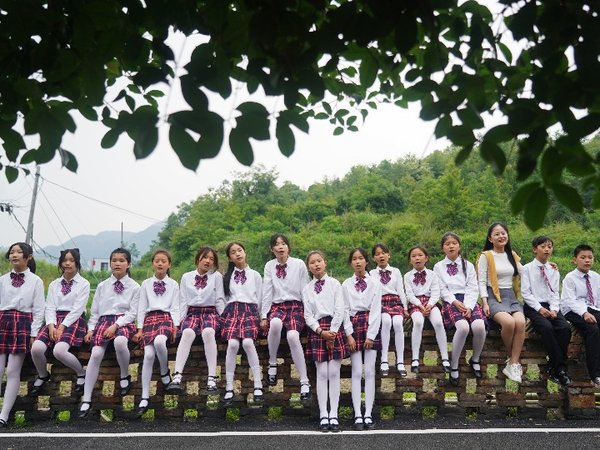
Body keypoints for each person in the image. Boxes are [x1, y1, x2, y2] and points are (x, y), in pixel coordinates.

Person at [78, 248, 139, 418]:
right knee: (96, 353)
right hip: (103, 322)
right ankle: (87, 399)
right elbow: (95, 311)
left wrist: (116, 325)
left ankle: (124, 375)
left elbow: (133, 313)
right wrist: (90, 329)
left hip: (123, 321)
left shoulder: (135, 287)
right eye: (114, 260)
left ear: (129, 264)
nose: (117, 263)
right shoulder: (102, 285)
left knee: (120, 342)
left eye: (121, 260)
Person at [30, 248, 89, 397]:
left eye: (71, 260)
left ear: (77, 263)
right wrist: (51, 325)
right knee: (36, 348)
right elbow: (49, 306)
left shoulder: (84, 283)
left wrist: (62, 327)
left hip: (74, 319)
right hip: (54, 319)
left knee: (59, 351)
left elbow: (78, 309)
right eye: (64, 260)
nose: (67, 263)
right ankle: (43, 375)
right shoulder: (54, 284)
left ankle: (81, 373)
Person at [167, 247, 224, 394]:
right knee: (187, 333)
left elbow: (219, 300)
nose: (208, 261)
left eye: (211, 259)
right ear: (198, 258)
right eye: (205, 257)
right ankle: (177, 376)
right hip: (192, 313)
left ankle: (212, 377)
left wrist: (224, 319)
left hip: (210, 312)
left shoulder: (216, 276)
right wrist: (177, 324)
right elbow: (183, 302)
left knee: (208, 332)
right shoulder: (187, 277)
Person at [303, 250, 349, 433]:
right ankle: (324, 414)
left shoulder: (335, 284)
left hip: (335, 326)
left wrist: (333, 332)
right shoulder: (307, 289)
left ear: (325, 263)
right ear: (309, 267)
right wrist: (321, 332)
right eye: (312, 262)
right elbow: (307, 315)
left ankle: (334, 414)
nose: (316, 264)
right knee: (322, 372)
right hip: (318, 330)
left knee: (334, 372)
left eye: (319, 261)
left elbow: (340, 309)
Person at [261, 234, 310, 400]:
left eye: (283, 244)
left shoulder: (299, 264)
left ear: (288, 247)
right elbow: (267, 291)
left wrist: (309, 313)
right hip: (278, 306)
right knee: (274, 323)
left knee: (293, 336)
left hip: (296, 306)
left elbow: (305, 290)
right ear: (272, 249)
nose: (280, 247)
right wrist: (263, 315)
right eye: (277, 244)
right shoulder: (269, 266)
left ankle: (304, 382)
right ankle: (272, 363)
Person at [0, 243, 44, 427]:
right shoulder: (2, 279)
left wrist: (34, 333)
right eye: (12, 252)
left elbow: (39, 309)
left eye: (19, 252)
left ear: (29, 257)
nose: (15, 255)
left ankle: (4, 415)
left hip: (23, 323)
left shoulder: (36, 281)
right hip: (2, 321)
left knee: (12, 371)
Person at [433, 233, 487, 386]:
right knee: (463, 328)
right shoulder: (438, 267)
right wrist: (454, 302)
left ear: (459, 246)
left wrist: (469, 306)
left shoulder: (467, 265)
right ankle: (454, 364)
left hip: (468, 299)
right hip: (451, 301)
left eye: (454, 243)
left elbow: (472, 286)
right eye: (447, 243)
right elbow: (441, 288)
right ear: (443, 248)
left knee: (479, 326)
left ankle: (475, 358)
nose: (451, 246)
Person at [477, 222, 525, 383]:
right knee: (509, 323)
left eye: (503, 233)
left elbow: (525, 272)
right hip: (493, 295)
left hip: (511, 296)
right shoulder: (486, 256)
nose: (501, 236)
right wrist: (484, 302)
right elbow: (481, 281)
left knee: (521, 322)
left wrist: (547, 266)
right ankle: (512, 359)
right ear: (490, 238)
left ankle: (513, 363)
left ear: (507, 235)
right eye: (496, 234)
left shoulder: (512, 255)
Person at [133, 249, 179, 416]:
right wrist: (139, 328)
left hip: (166, 318)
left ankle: (165, 371)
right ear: (153, 263)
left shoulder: (173, 284)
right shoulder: (145, 284)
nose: (160, 263)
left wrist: (175, 325)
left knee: (160, 342)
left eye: (164, 261)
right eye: (157, 260)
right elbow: (141, 308)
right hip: (149, 319)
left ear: (169, 264)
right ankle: (144, 396)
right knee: (148, 355)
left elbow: (175, 307)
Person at [522, 236, 571, 387]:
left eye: (549, 246)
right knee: (546, 328)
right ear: (535, 249)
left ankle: (553, 366)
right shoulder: (527, 269)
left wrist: (555, 309)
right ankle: (560, 368)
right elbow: (525, 293)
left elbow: (555, 292)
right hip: (533, 306)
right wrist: (540, 309)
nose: (547, 249)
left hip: (551, 306)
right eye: (543, 246)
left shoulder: (553, 269)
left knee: (564, 328)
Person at [342, 247, 382, 431]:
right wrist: (348, 334)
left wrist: (371, 335)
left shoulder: (375, 283)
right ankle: (357, 414)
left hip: (370, 324)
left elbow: (376, 310)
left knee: (370, 371)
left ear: (367, 261)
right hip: (353, 324)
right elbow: (343, 310)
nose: (358, 262)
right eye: (354, 259)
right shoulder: (346, 285)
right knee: (356, 371)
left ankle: (368, 413)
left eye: (361, 258)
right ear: (351, 263)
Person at [220, 242, 263, 405]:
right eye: (233, 252)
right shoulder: (226, 277)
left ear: (245, 252)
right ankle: (229, 388)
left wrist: (259, 316)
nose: (237, 254)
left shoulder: (255, 275)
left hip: (250, 311)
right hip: (232, 311)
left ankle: (258, 385)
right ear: (230, 258)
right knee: (232, 344)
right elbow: (224, 299)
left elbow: (260, 298)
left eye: (239, 250)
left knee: (248, 343)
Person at [405, 246, 450, 375]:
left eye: (420, 255)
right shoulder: (407, 276)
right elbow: (409, 295)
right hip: (416, 304)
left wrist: (430, 305)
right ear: (410, 260)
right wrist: (420, 305)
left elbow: (436, 292)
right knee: (418, 322)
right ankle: (415, 359)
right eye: (413, 256)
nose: (417, 258)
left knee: (438, 322)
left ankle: (445, 357)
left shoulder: (432, 274)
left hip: (431, 302)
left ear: (426, 258)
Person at [561, 244, 600, 387]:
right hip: (573, 310)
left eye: (590, 257)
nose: (587, 260)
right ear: (575, 260)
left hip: (592, 308)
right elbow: (569, 300)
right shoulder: (570, 278)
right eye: (583, 257)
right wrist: (584, 313)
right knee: (592, 329)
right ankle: (595, 374)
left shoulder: (596, 277)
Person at [370, 243, 408, 377]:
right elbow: (372, 293)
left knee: (398, 323)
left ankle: (401, 361)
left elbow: (400, 290)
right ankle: (384, 359)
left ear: (388, 255)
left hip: (395, 301)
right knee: (386, 321)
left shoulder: (396, 271)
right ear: (374, 258)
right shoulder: (372, 273)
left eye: (383, 253)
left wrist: (405, 307)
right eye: (377, 254)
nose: (381, 256)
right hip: (381, 302)